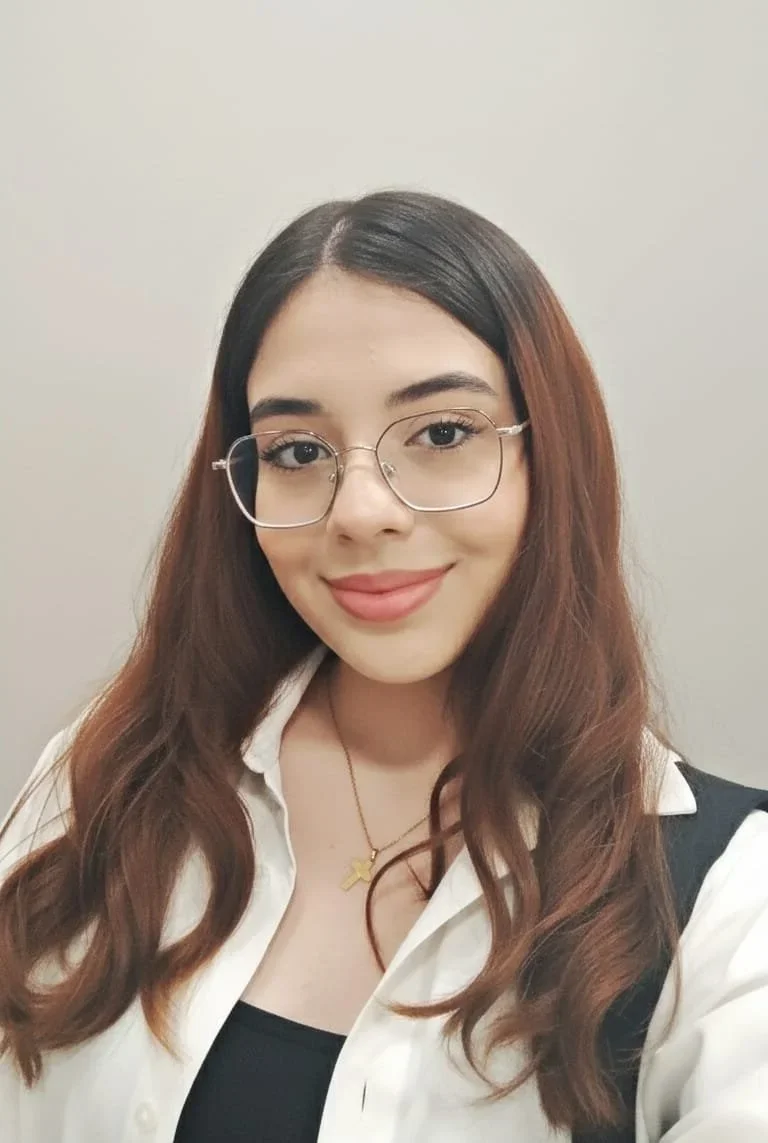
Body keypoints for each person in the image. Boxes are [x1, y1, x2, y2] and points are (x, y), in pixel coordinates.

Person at [1, 191, 766, 1143]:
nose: (359, 510)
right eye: (297, 450)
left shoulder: (730, 895)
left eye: (444, 434)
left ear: (551, 456)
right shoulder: (106, 778)